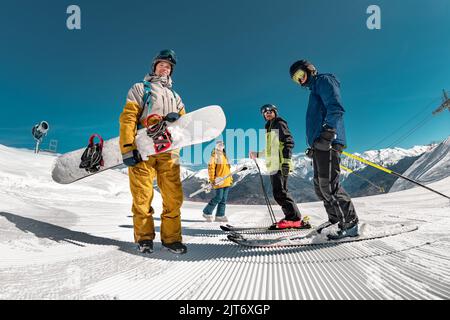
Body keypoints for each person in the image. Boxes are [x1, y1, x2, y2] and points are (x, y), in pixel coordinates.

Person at [119, 49, 187, 254]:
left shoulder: (176, 96)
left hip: (168, 150)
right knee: (142, 195)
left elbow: (186, 126)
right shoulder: (141, 88)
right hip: (144, 148)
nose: (164, 68)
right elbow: (128, 117)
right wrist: (127, 148)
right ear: (155, 67)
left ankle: (171, 239)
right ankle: (144, 238)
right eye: (161, 64)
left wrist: (178, 120)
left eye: (168, 66)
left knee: (173, 197)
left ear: (171, 71)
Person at [289, 59, 359, 240]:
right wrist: (314, 145)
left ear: (309, 70)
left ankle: (350, 224)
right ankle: (335, 219)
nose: (300, 80)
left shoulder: (324, 81)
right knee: (320, 188)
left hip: (329, 141)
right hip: (320, 144)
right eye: (296, 79)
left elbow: (335, 108)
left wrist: (327, 134)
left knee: (330, 186)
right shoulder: (313, 91)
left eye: (300, 75)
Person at [249, 104, 309, 229]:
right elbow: (270, 150)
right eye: (265, 112)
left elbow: (289, 142)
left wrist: (286, 161)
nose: (268, 113)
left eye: (270, 111)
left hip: (281, 164)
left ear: (275, 112)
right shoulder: (269, 128)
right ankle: (292, 217)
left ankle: (294, 219)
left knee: (280, 192)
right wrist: (257, 154)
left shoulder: (279, 124)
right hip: (273, 165)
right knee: (279, 192)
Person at [202, 140, 233, 222]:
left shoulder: (224, 155)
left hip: (226, 180)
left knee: (223, 199)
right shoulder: (214, 155)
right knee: (218, 197)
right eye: (219, 144)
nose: (221, 145)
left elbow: (227, 169)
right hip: (218, 181)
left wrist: (230, 179)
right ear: (216, 146)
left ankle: (220, 215)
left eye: (222, 144)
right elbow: (211, 167)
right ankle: (206, 212)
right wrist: (212, 179)